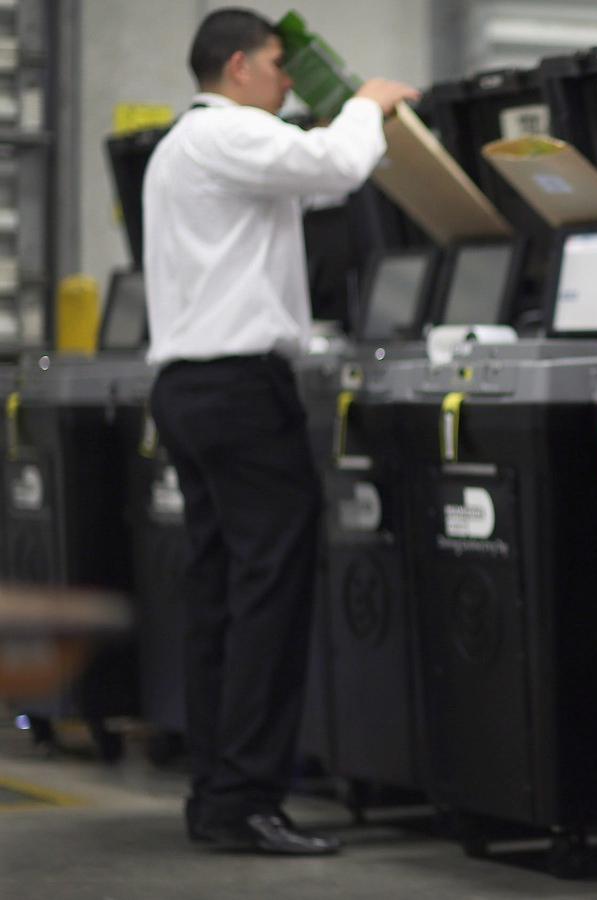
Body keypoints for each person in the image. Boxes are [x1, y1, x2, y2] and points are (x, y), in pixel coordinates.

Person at [142, 8, 417, 855]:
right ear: (235, 69)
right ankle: (249, 798)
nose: (287, 78)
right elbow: (333, 157)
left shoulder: (183, 148)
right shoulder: (221, 136)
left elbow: (327, 183)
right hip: (236, 392)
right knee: (268, 595)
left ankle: (219, 795)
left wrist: (360, 135)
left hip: (191, 391)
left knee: (223, 592)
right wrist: (368, 101)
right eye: (275, 62)